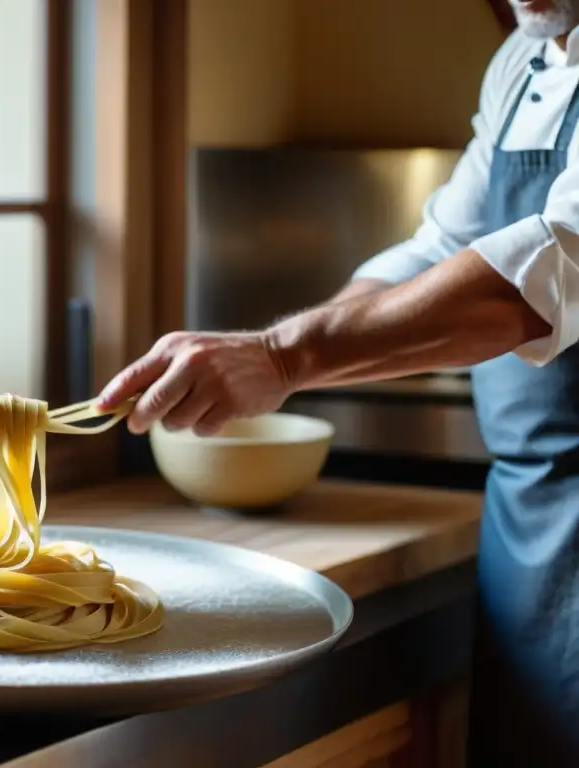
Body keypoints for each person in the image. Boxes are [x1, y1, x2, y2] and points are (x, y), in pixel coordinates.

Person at [95, 1, 579, 765]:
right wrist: (268, 359)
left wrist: (285, 356)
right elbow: (439, 249)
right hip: (528, 528)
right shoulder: (522, 62)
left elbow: (542, 277)